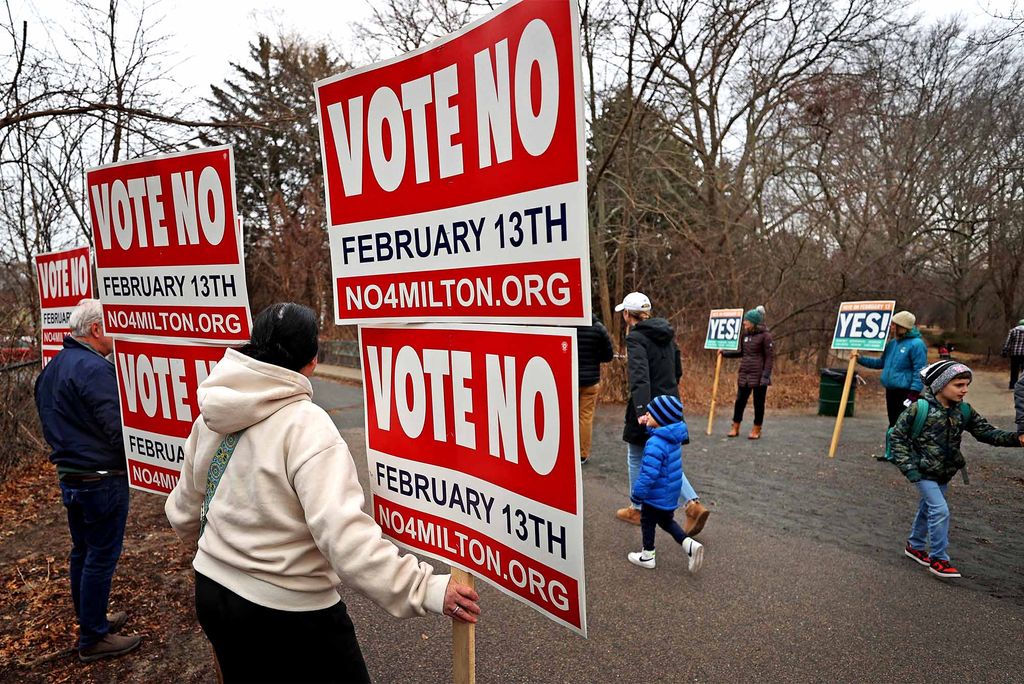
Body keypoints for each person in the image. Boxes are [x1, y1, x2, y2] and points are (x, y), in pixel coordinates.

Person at [165, 303, 480, 683]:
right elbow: (345, 539)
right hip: (289, 616)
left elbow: (184, 509)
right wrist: (423, 587)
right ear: (313, 360)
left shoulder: (212, 416)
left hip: (213, 595)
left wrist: (220, 557)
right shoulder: (308, 426)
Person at [33, 299, 141, 662]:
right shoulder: (94, 369)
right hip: (101, 479)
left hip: (72, 477)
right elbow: (117, 428)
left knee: (83, 551)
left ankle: (91, 620)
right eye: (112, 326)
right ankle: (93, 637)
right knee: (100, 556)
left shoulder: (53, 368)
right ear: (96, 330)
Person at [889, 360, 1022, 579]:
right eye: (959, 385)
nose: (965, 390)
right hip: (921, 471)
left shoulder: (964, 411)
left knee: (928, 507)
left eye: (966, 384)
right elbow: (897, 437)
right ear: (941, 385)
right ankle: (939, 559)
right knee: (939, 510)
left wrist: (1017, 439)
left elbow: (986, 432)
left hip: (944, 472)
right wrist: (909, 468)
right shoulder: (919, 409)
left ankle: (914, 545)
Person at [614, 291, 709, 537]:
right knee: (665, 457)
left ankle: (637, 508)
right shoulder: (667, 334)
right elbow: (677, 370)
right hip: (670, 403)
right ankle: (692, 504)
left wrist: (642, 411)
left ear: (627, 315)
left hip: (649, 406)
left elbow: (639, 376)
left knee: (636, 455)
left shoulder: (636, 338)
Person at [626, 395, 704, 573]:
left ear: (660, 419)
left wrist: (637, 494)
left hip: (655, 495)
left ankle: (647, 555)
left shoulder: (655, 444)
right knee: (666, 522)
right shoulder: (671, 438)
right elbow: (659, 434)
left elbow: (648, 474)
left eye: (650, 413)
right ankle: (689, 545)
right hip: (669, 493)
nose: (647, 414)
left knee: (647, 522)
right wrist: (648, 424)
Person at [856, 309, 928, 428]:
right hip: (891, 391)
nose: (891, 327)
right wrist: (859, 359)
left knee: (903, 426)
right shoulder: (892, 343)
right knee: (893, 424)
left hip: (906, 393)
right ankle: (892, 446)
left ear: (903, 327)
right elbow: (881, 363)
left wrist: (913, 393)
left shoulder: (917, 344)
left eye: (895, 324)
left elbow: (920, 370)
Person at [723, 306, 774, 440]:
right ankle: (735, 426)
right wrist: (725, 353)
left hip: (759, 375)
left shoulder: (766, 336)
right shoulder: (745, 335)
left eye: (746, 321)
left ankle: (757, 428)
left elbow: (769, 358)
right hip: (744, 373)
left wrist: (765, 376)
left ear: (753, 323)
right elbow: (741, 352)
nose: (744, 323)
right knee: (740, 401)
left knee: (758, 403)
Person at [576, 316, 614, 464]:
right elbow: (608, 356)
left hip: (569, 379)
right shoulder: (598, 328)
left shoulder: (565, 326)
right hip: (590, 381)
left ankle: (566, 450)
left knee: (567, 417)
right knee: (585, 417)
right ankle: (582, 454)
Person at [1001, 319, 1024, 389]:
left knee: (1014, 370)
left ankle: (1012, 385)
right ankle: (1022, 385)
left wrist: (1005, 351)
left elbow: (1008, 342)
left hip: (1014, 354)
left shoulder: (1013, 331)